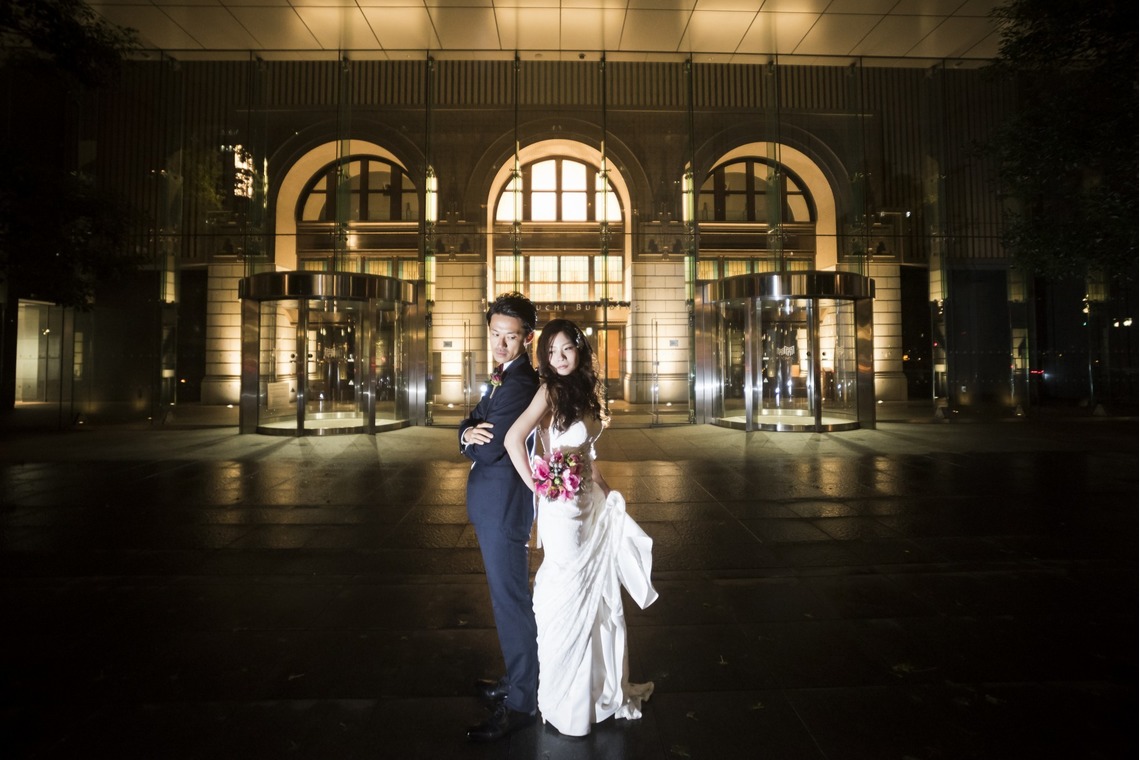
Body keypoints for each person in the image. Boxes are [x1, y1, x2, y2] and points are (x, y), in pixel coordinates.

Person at [504, 318, 658, 738]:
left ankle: (593, 694)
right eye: (551, 352)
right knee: (567, 589)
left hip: (588, 501)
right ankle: (565, 698)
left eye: (566, 349)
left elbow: (586, 454)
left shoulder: (587, 391)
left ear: (579, 349)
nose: (559, 358)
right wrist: (539, 483)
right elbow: (513, 439)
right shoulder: (549, 390)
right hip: (562, 510)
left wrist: (606, 491)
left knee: (595, 596)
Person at [459, 292, 541, 742]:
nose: (501, 345)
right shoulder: (502, 377)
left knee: (511, 603)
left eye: (511, 337)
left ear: (527, 339)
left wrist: (472, 438)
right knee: (505, 600)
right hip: (494, 503)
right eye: (495, 335)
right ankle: (517, 680)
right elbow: (473, 419)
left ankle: (522, 701)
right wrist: (465, 431)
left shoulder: (522, 382)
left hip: (505, 505)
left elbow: (491, 446)